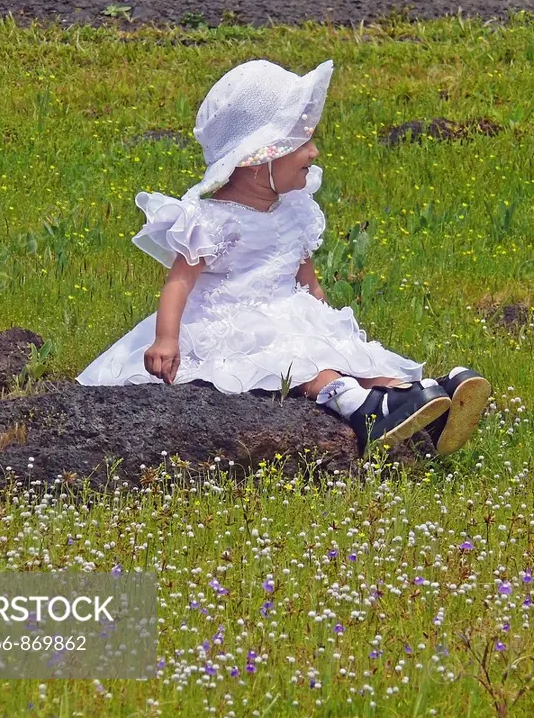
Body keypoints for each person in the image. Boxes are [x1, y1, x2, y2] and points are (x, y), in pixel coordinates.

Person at [76, 58, 491, 454]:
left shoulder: (296, 209)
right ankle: (361, 409)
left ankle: (416, 400)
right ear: (260, 161)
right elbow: (179, 282)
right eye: (302, 143)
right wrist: (166, 339)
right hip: (234, 321)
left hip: (289, 308)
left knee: (335, 349)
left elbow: (308, 280)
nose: (313, 153)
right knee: (298, 358)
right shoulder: (212, 220)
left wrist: (331, 327)